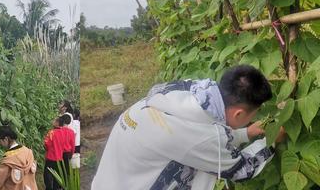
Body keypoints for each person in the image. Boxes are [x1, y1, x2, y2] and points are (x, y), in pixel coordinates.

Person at [91, 65, 286, 190]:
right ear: (239, 114)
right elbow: (241, 170)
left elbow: (195, 139)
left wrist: (245, 133)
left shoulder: (187, 90)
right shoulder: (203, 138)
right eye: (254, 114)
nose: (254, 118)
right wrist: (270, 142)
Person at [0, 125, 38, 190]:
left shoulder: (9, 159)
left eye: (0, 141)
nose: (0, 144)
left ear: (6, 139)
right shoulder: (27, 152)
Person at [44, 116, 76, 190]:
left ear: (57, 123)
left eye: (54, 120)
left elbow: (46, 144)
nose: (53, 121)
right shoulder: (65, 133)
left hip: (51, 157)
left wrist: (48, 149)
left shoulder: (52, 132)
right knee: (58, 176)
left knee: (47, 176)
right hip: (60, 157)